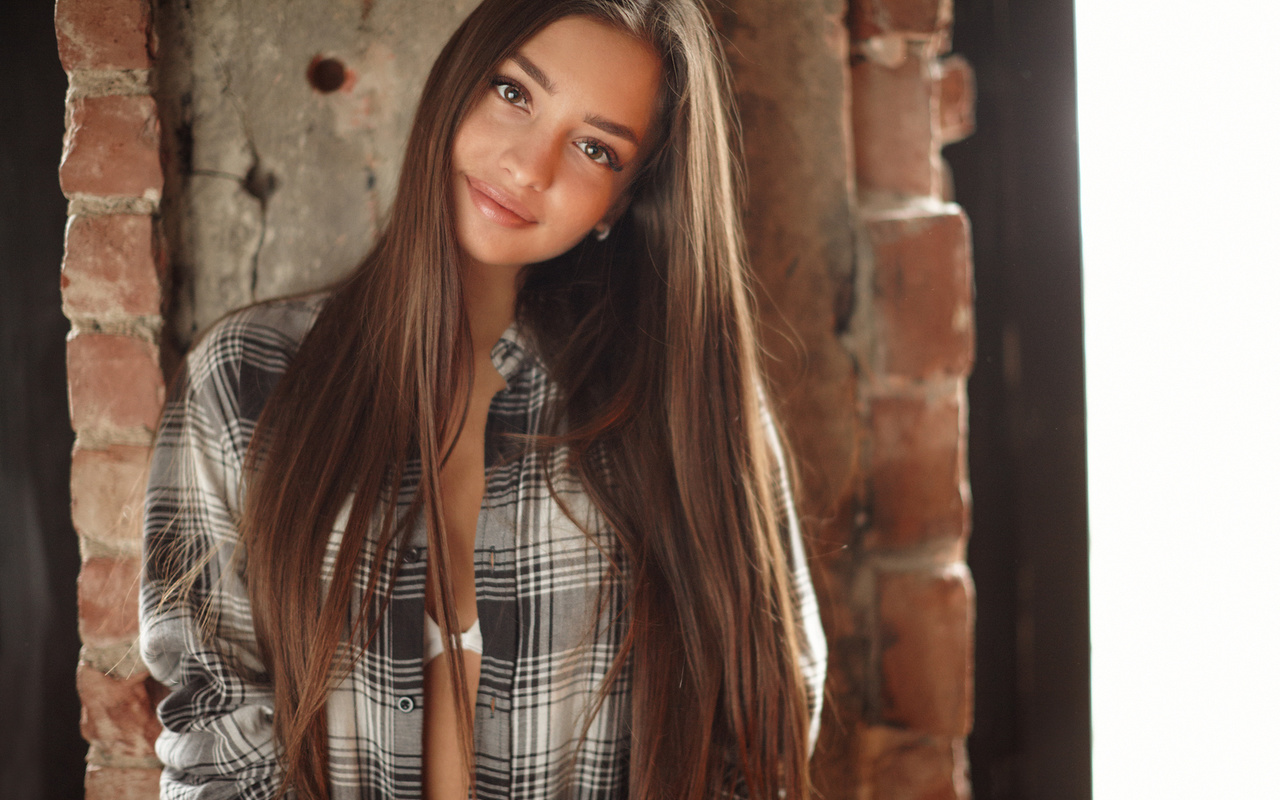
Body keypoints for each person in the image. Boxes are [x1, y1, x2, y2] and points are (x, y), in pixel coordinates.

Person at [140, 0, 827, 798]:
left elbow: (760, 734)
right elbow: (214, 731)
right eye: (514, 93)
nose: (529, 166)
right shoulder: (248, 379)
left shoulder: (683, 405)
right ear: (457, 84)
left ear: (623, 201)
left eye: (595, 147)